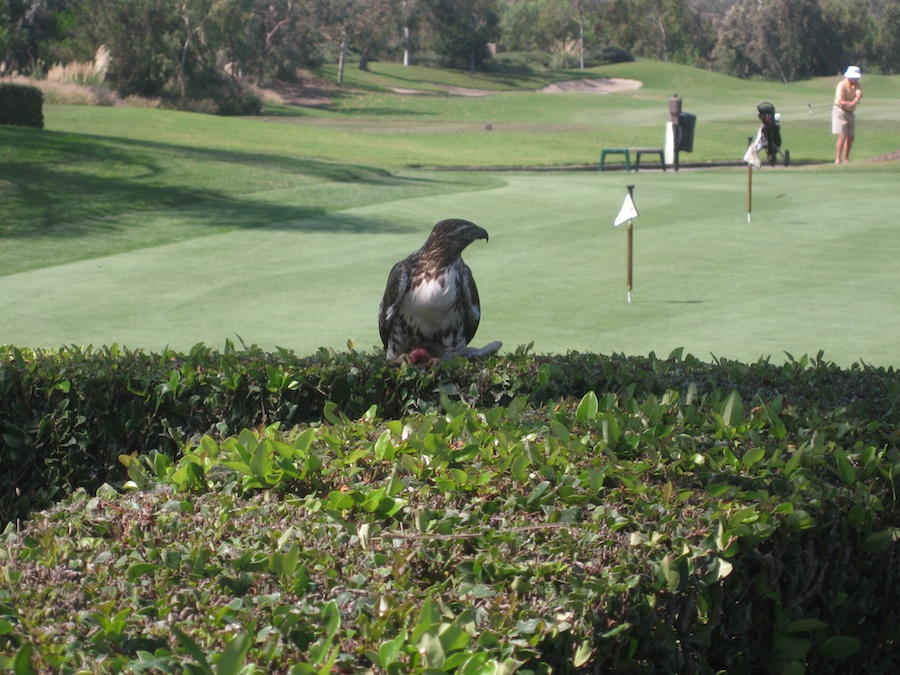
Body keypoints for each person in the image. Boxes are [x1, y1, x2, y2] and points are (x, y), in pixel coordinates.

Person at [833, 66, 863, 163]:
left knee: (851, 136)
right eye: (855, 78)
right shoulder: (842, 85)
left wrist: (855, 100)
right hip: (840, 111)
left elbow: (859, 93)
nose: (856, 79)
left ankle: (846, 158)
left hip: (850, 112)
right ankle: (838, 159)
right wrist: (849, 103)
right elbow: (840, 101)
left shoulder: (857, 85)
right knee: (843, 135)